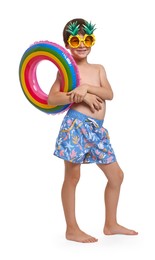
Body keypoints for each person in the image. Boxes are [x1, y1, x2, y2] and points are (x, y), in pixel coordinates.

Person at [48, 18, 138, 243]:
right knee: (73, 176)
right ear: (67, 44)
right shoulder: (66, 71)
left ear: (92, 41)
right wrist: (78, 95)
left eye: (86, 39)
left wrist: (87, 87)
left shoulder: (98, 69)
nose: (81, 44)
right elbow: (52, 98)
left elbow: (109, 94)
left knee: (116, 176)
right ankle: (72, 229)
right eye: (75, 40)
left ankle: (111, 224)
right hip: (75, 126)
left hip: (97, 130)